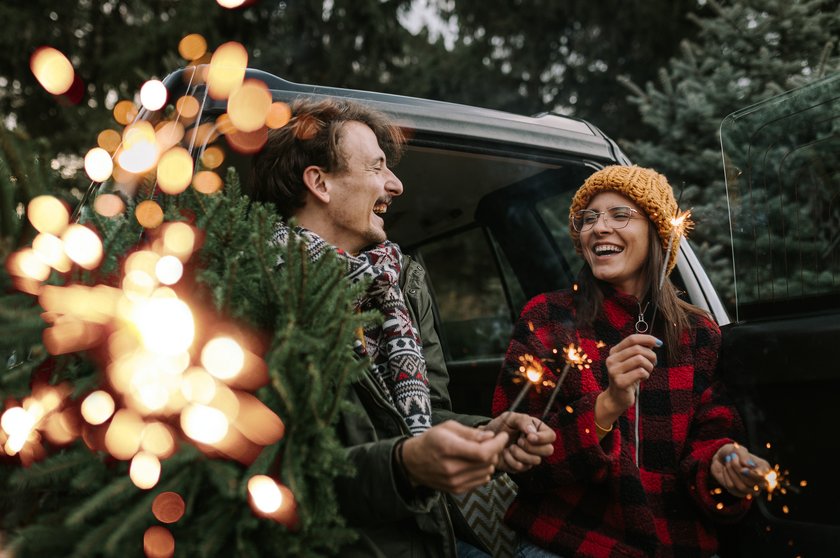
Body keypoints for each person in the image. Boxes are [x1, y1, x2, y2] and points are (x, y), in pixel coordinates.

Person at [250, 97, 555, 557]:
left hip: (429, 533)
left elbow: (427, 412)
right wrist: (404, 468)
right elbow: (273, 473)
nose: (396, 184)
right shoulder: (255, 289)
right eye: (376, 167)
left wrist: (491, 433)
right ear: (320, 183)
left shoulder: (401, 281)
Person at [491, 165, 771, 558]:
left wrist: (723, 465)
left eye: (619, 215)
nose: (598, 227)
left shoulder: (699, 332)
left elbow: (711, 435)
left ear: (658, 232)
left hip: (678, 544)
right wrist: (606, 407)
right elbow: (520, 462)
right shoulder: (547, 319)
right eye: (588, 218)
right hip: (572, 541)